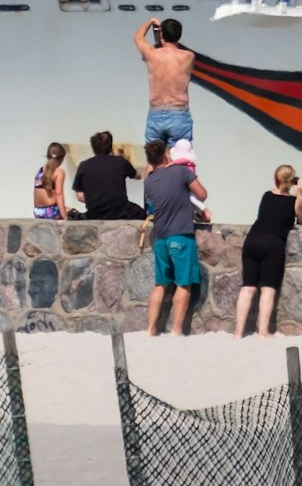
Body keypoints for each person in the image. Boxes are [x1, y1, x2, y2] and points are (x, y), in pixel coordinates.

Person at [143, 140, 208, 337]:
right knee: (183, 284)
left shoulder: (149, 181)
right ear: (166, 154)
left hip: (161, 238)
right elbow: (202, 194)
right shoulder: (181, 172)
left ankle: (151, 329)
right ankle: (176, 330)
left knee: (160, 285)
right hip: (180, 234)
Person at [235, 166, 302, 338]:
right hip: (273, 243)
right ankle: (263, 331)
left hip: (253, 239)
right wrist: (300, 195)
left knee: (247, 288)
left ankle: (238, 332)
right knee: (267, 289)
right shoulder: (294, 201)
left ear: (276, 178)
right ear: (293, 181)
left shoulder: (266, 195)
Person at [136, 17, 195, 148]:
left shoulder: (152, 54)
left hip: (156, 112)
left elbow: (138, 37)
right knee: (181, 160)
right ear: (179, 36)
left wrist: (151, 21)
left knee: (153, 161)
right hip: (178, 113)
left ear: (162, 34)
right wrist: (162, 37)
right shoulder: (188, 57)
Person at [73, 131, 144, 220]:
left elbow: (80, 196)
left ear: (93, 148)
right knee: (142, 213)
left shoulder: (84, 165)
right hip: (120, 213)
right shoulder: (120, 162)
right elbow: (137, 176)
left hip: (94, 214)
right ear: (110, 147)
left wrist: (96, 201)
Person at [33, 141, 70, 219]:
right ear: (62, 158)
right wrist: (64, 216)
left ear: (47, 156)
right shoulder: (59, 172)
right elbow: (59, 194)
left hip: (37, 211)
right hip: (51, 211)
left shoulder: (40, 171)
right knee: (74, 213)